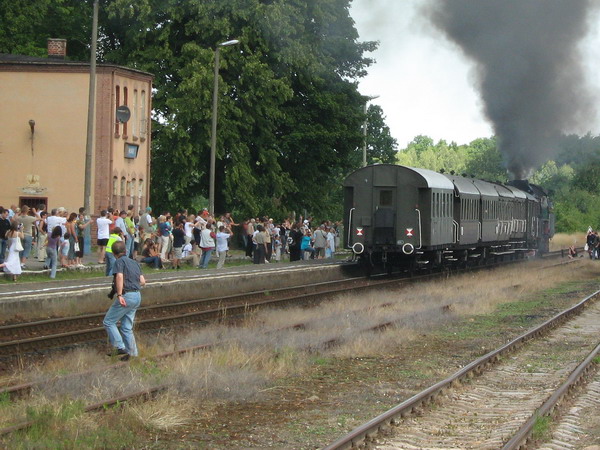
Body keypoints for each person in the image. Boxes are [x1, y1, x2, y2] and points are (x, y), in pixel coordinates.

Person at [103, 241, 146, 361]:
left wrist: (120, 295)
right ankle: (133, 354)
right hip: (137, 296)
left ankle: (119, 346)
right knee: (126, 327)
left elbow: (119, 276)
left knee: (108, 322)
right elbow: (142, 281)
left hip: (126, 296)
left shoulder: (119, 262)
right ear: (125, 251)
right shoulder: (134, 262)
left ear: (113, 253)